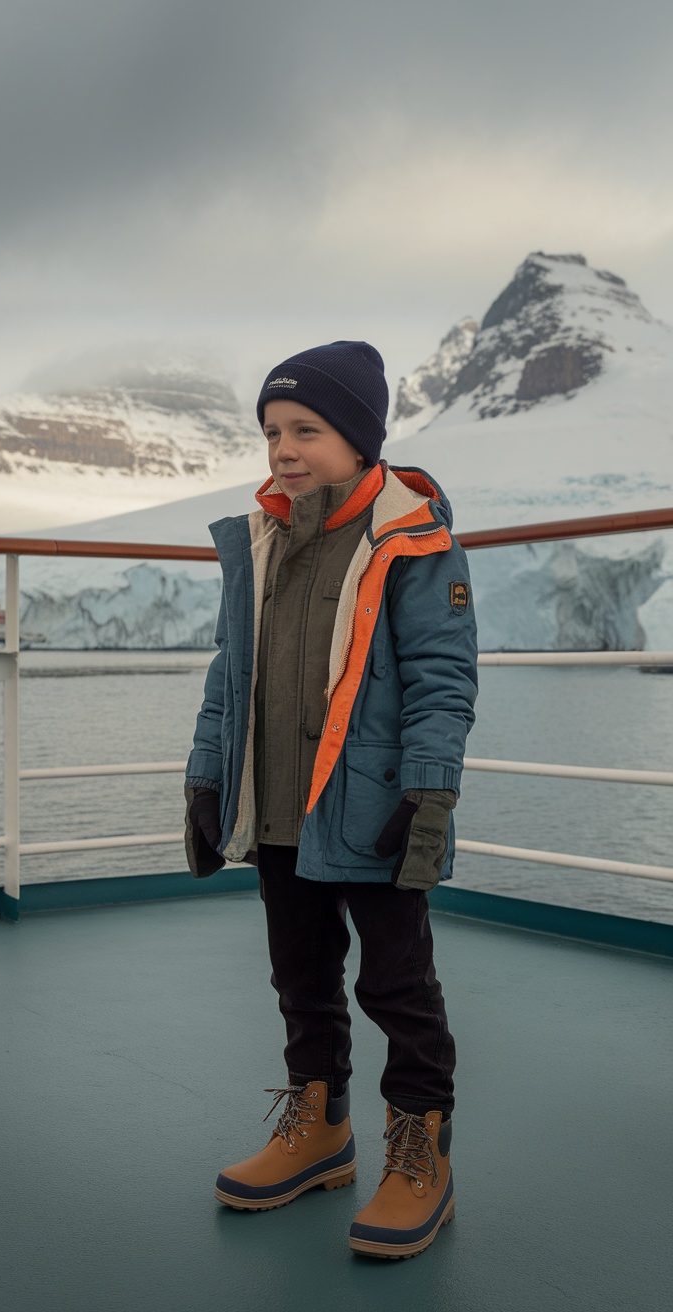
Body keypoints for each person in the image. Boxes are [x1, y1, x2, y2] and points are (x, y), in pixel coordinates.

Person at [184, 340, 478, 1259]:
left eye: (307, 428)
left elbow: (442, 679)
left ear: (360, 437)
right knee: (301, 978)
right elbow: (230, 676)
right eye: (273, 430)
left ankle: (420, 1151)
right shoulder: (267, 537)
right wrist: (205, 774)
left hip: (374, 807)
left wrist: (428, 795)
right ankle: (319, 1132)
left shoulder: (413, 539)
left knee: (398, 985)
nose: (285, 447)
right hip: (279, 806)